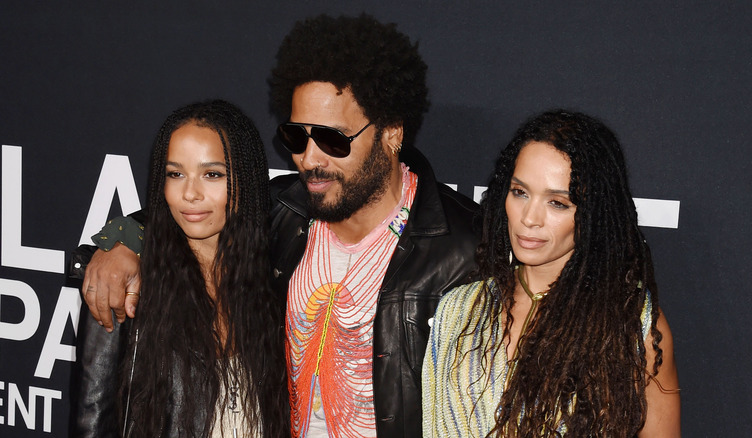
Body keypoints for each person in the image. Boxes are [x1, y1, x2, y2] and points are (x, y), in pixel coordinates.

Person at [75, 14, 480, 438]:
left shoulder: (465, 249)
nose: (309, 158)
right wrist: (122, 240)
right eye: (296, 137)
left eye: (333, 139)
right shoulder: (286, 210)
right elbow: (194, 210)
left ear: (392, 134)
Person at [422, 110, 680, 437]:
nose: (530, 218)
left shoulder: (631, 324)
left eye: (557, 203)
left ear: (592, 214)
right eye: (520, 192)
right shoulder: (459, 311)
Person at [73, 100, 288, 437]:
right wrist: (121, 238)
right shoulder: (126, 286)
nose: (189, 193)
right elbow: (93, 421)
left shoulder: (275, 272)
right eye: (175, 174)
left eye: (212, 174)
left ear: (245, 180)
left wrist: (125, 231)